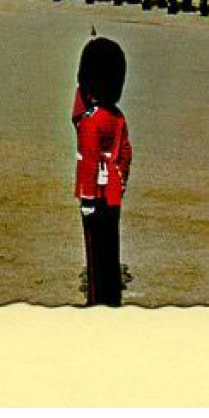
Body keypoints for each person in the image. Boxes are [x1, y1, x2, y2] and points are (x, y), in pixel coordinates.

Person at [74, 36, 133, 307]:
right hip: (113, 191)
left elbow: (87, 160)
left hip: (94, 193)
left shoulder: (91, 121)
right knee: (110, 246)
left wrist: (87, 197)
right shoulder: (116, 116)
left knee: (95, 249)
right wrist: (119, 183)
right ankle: (111, 296)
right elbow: (125, 154)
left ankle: (97, 300)